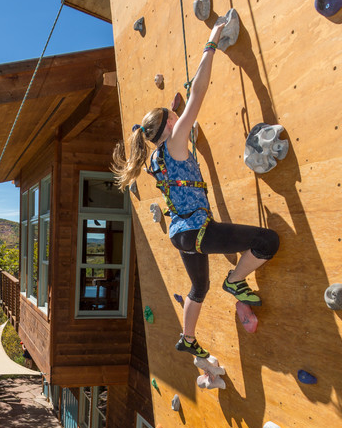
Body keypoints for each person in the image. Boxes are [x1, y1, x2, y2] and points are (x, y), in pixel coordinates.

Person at [112, 18, 279, 359]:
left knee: (199, 286)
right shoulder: (174, 142)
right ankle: (234, 282)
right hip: (194, 230)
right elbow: (198, 94)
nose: (179, 117)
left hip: (181, 235)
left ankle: (187, 338)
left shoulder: (158, 157)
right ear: (171, 124)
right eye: (175, 116)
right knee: (267, 241)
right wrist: (211, 42)